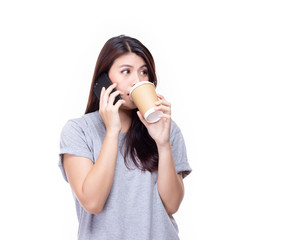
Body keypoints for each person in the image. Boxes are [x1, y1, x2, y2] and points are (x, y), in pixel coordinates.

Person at [58, 35, 192, 240]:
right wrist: (112, 131)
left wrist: (163, 144)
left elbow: (172, 205)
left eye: (144, 71)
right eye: (126, 71)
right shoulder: (79, 131)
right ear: (104, 81)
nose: (137, 80)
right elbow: (93, 202)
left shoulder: (167, 129)